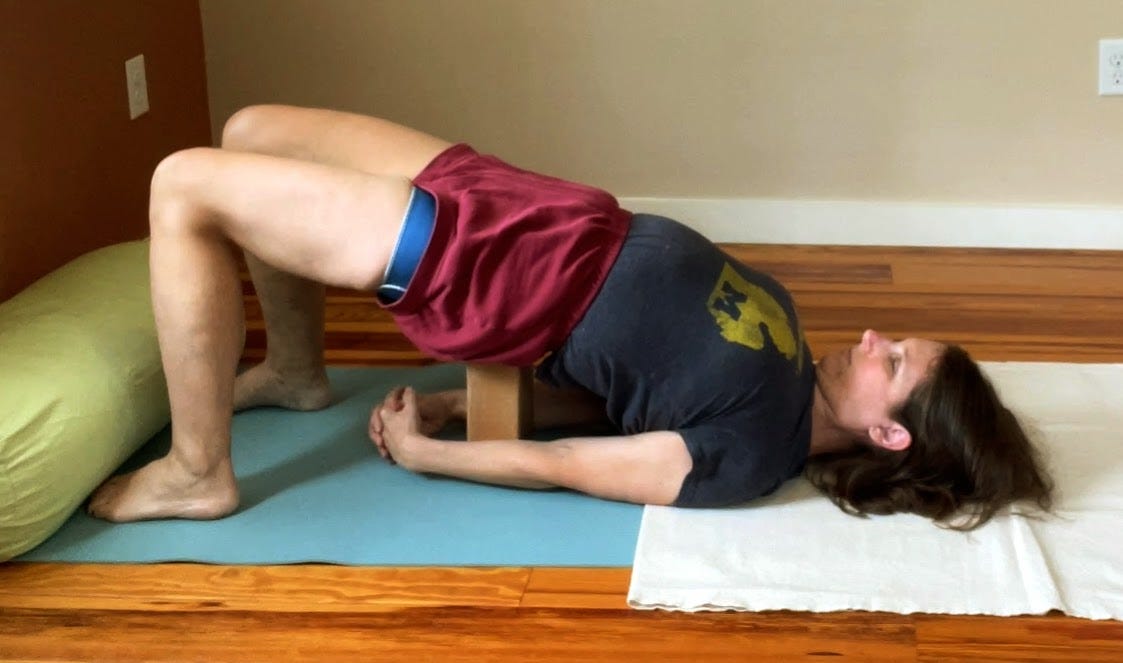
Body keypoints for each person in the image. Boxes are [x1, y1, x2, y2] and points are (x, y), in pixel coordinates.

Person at [88, 105, 1053, 530]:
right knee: (252, 127)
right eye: (900, 337)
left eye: (899, 360)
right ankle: (297, 372)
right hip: (535, 208)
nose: (880, 337)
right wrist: (465, 406)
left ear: (888, 431)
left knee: (182, 184)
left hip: (495, 268)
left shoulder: (751, 453)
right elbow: (614, 396)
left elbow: (578, 463)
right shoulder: (795, 346)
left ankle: (195, 470)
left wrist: (438, 450)